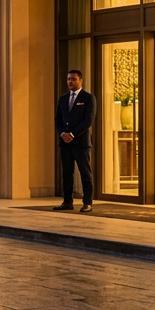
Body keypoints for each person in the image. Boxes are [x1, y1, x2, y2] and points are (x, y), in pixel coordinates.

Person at [54, 69, 96, 212]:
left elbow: (88, 120)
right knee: (67, 173)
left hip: (81, 143)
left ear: (80, 81)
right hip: (65, 143)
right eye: (68, 79)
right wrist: (62, 134)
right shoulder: (63, 99)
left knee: (85, 173)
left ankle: (87, 202)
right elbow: (58, 119)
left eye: (73, 79)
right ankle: (67, 202)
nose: (70, 82)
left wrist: (72, 134)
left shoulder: (88, 98)